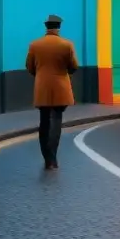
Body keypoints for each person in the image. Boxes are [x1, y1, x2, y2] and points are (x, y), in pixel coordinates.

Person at [25, 14, 79, 170]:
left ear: (46, 27)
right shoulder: (66, 45)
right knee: (56, 121)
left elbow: (29, 66)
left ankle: (47, 157)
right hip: (61, 88)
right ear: (59, 27)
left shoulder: (35, 45)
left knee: (44, 121)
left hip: (42, 87)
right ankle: (53, 157)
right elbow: (74, 67)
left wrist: (41, 75)